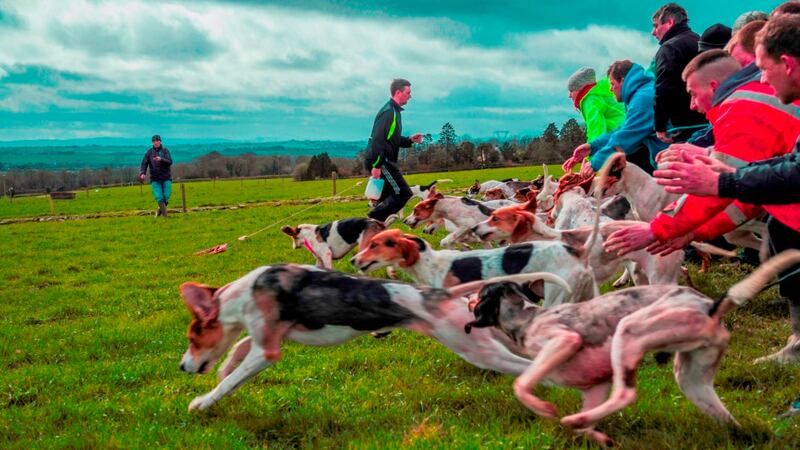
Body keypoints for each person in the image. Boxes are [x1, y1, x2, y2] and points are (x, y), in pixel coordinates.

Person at [607, 15, 800, 371]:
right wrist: (695, 225)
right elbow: (755, 181)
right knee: (779, 228)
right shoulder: (750, 102)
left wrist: (660, 229)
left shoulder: (742, 105)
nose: (693, 106)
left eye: (761, 67)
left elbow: (733, 189)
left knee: (785, 229)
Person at [563, 60, 667, 174]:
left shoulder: (642, 99)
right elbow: (623, 129)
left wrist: (595, 162)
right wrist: (592, 147)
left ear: (622, 80)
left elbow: (627, 134)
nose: (611, 89)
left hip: (669, 161)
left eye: (612, 84)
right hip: (658, 157)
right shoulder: (638, 96)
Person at [363, 79, 423, 222]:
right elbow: (378, 140)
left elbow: (392, 139)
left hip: (383, 161)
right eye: (408, 92)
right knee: (403, 193)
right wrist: (377, 166)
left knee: (387, 200)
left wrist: (409, 140)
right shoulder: (388, 112)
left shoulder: (395, 112)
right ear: (398, 92)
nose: (410, 96)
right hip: (382, 161)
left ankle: (377, 231)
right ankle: (371, 221)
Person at [650, 3, 708, 143]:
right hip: (708, 120)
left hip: (685, 126)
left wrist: (660, 125)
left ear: (669, 22)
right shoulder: (700, 41)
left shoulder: (669, 48)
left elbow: (664, 88)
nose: (653, 32)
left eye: (656, 25)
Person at [566, 67, 625, 143]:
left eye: (571, 90)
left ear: (579, 89)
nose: (569, 95)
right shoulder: (603, 91)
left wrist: (590, 153)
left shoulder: (589, 101)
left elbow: (596, 131)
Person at [139, 134, 173, 217]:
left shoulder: (165, 151)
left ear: (160, 141)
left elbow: (170, 162)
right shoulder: (149, 152)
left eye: (157, 141)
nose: (156, 142)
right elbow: (144, 163)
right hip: (155, 178)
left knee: (166, 196)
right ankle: (166, 216)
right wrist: (142, 173)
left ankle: (159, 210)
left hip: (166, 177)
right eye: (154, 141)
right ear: (152, 142)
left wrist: (161, 159)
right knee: (159, 197)